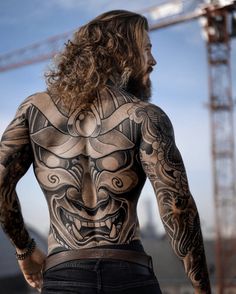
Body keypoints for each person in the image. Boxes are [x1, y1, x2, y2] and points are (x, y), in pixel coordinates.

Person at [0, 10, 211, 294]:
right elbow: (178, 210)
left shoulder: (34, 111)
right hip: (130, 275)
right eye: (147, 49)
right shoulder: (145, 116)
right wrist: (202, 289)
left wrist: (25, 250)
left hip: (64, 275)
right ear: (122, 51)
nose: (153, 60)